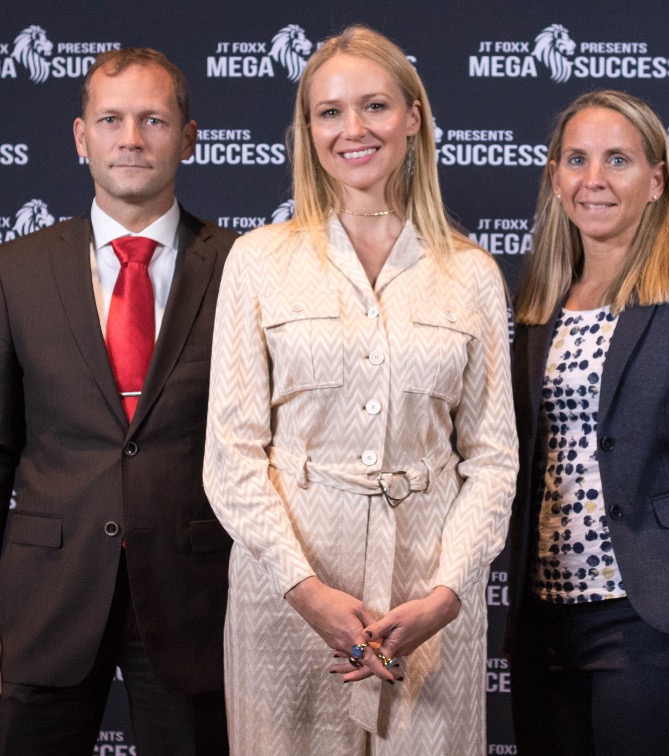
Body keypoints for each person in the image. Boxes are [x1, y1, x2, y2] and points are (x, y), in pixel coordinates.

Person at [203, 24, 517, 756]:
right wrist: (305, 590)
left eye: (374, 106)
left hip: (426, 605)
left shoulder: (472, 273)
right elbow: (232, 453)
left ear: (413, 118)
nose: (353, 129)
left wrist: (446, 596)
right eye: (330, 112)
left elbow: (492, 458)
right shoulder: (258, 260)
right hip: (287, 599)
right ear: (308, 130)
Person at [505, 89, 669, 755]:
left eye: (617, 159)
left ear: (657, 180)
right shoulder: (539, 307)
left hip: (655, 625)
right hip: (546, 623)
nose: (594, 179)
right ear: (554, 177)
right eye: (577, 159)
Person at [0, 48, 236, 755]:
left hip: (195, 596)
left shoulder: (243, 267)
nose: (130, 138)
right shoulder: (16, 270)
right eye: (111, 120)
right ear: (81, 137)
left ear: (188, 138)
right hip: (47, 594)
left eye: (152, 120)